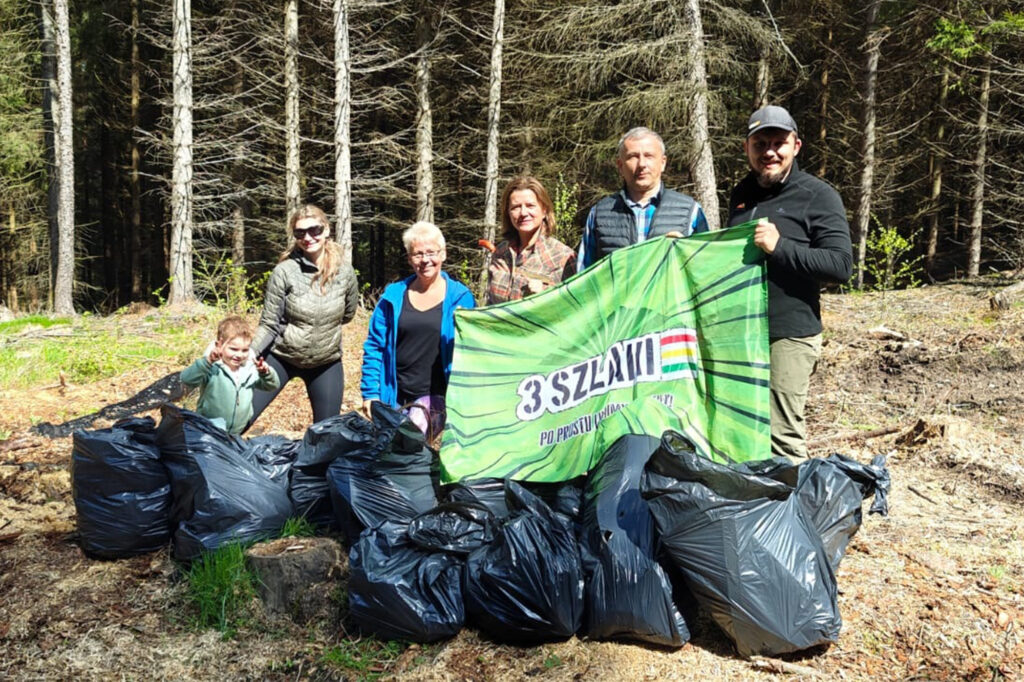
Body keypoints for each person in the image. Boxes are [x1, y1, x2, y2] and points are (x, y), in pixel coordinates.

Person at [727, 105, 853, 460]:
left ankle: (791, 496)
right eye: (760, 144)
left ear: (796, 146)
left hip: (790, 335)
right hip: (742, 332)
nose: (769, 152)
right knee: (742, 429)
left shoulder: (818, 195)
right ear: (747, 148)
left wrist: (779, 247)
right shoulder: (741, 195)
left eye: (778, 143)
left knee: (780, 436)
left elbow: (840, 266)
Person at [360, 221, 476, 439]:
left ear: (443, 254)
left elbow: (472, 349)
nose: (425, 260)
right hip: (393, 394)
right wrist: (370, 393)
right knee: (391, 451)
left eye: (431, 252)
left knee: (410, 445)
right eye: (418, 254)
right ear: (409, 258)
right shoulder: (393, 296)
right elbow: (375, 346)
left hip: (435, 397)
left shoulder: (460, 298)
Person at [249, 204, 359, 428]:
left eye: (314, 230)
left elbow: (348, 314)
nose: (308, 238)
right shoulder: (284, 271)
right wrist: (250, 353)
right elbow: (269, 323)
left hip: (325, 362)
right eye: (300, 233)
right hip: (282, 356)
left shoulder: (345, 272)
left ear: (326, 229)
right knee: (239, 417)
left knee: (326, 434)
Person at [577, 127, 709, 270]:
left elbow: (706, 270)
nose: (641, 164)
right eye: (633, 156)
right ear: (620, 166)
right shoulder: (600, 214)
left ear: (663, 163)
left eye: (649, 156)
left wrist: (685, 252)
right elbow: (584, 275)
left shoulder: (690, 211)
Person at [180, 315, 280, 435]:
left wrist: (265, 373)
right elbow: (187, 379)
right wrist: (208, 362)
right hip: (208, 430)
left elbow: (272, 386)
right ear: (219, 345)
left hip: (236, 432)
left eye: (245, 350)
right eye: (233, 349)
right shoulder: (212, 368)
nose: (239, 355)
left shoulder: (250, 369)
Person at [486, 176, 577, 304]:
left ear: (544, 210)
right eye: (516, 207)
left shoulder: (562, 257)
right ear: (508, 213)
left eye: (530, 206)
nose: (523, 213)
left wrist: (545, 294)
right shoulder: (501, 253)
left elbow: (577, 306)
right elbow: (490, 304)